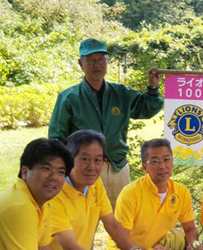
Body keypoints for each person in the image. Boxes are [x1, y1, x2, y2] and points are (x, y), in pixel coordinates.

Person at [39, 130, 153, 250]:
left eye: (98, 160)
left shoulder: (94, 184)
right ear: (69, 159)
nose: (92, 167)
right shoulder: (56, 193)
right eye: (84, 159)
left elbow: (111, 223)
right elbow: (70, 247)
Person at [48, 38, 164, 208]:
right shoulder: (69, 97)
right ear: (81, 64)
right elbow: (56, 138)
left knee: (124, 219)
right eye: (91, 60)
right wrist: (64, 169)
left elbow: (145, 108)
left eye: (101, 59)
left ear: (107, 62)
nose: (97, 65)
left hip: (118, 166)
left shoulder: (121, 93)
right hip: (84, 169)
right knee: (83, 220)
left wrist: (153, 88)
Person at [105, 138, 199, 250]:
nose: (162, 166)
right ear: (145, 167)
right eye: (155, 161)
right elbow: (122, 240)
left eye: (166, 159)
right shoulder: (131, 193)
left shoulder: (180, 192)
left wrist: (193, 244)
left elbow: (190, 229)